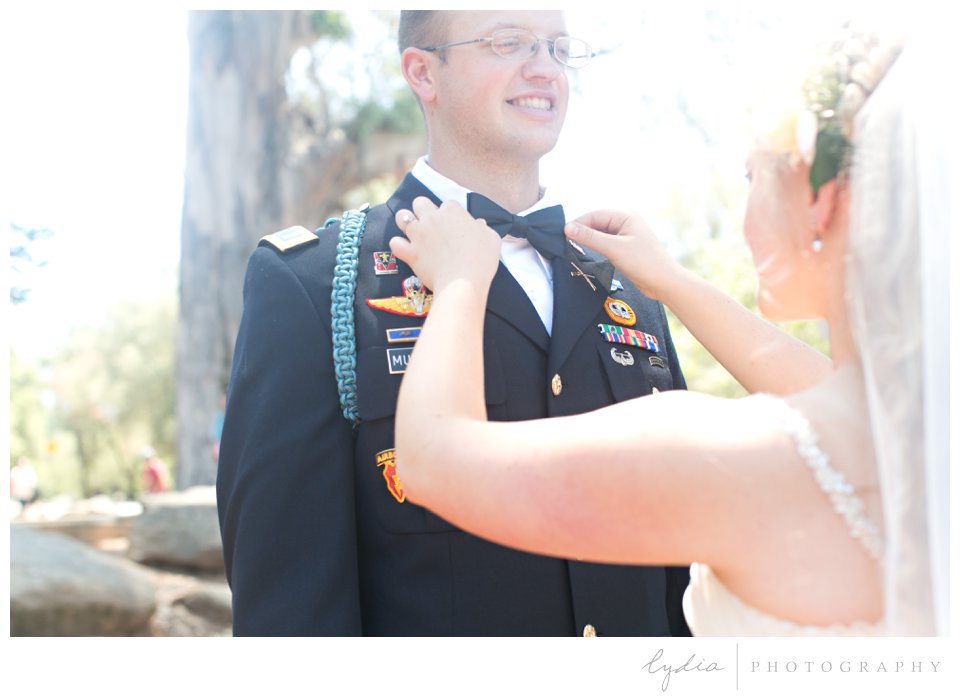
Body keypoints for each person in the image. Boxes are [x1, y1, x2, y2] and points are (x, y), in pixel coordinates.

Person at [390, 23, 949, 636]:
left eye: (751, 176)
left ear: (820, 201)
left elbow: (433, 459)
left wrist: (463, 282)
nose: (741, 209)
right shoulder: (921, 433)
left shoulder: (731, 451)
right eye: (508, 43)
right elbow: (832, 393)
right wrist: (676, 285)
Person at [217, 10, 691, 636]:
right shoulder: (315, 284)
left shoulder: (629, 283)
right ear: (423, 72)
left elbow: (677, 572)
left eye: (557, 47)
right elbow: (290, 607)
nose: (544, 66)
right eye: (508, 42)